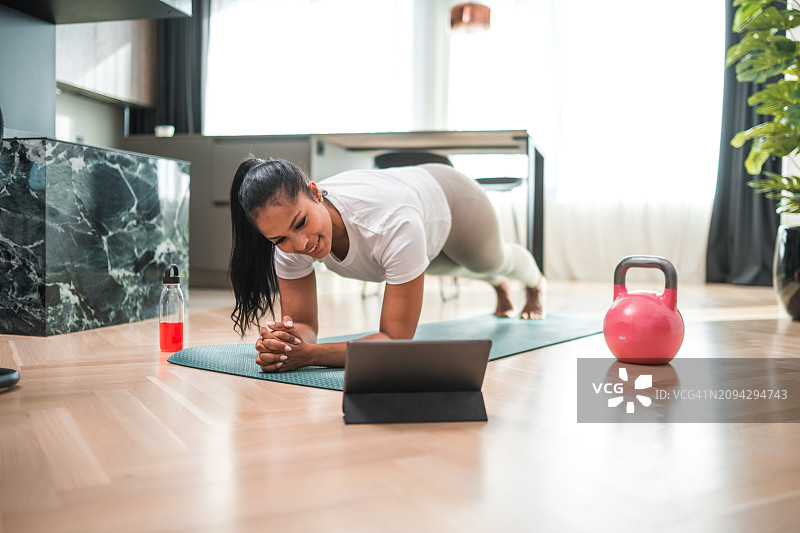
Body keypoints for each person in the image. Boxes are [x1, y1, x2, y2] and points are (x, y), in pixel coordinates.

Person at [229, 157, 546, 372]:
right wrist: (286, 342)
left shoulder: (390, 223)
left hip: (453, 198)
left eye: (301, 223)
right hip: (415, 214)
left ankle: (535, 282)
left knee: (489, 260)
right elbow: (305, 326)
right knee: (442, 266)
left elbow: (395, 340)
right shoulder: (286, 242)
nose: (299, 246)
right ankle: (495, 282)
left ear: (315, 193)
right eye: (280, 239)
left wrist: (311, 356)